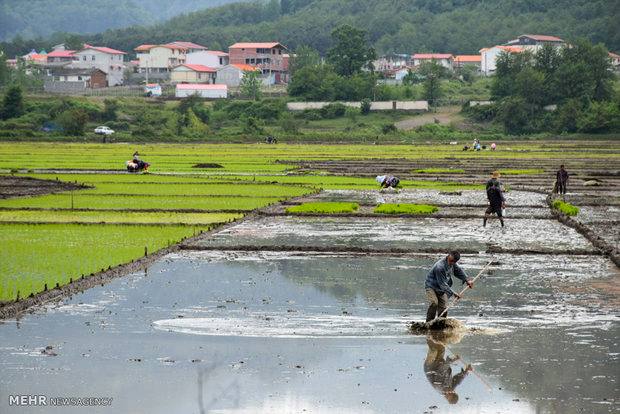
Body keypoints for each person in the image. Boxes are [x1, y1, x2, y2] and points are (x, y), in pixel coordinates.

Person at [424, 251, 473, 322]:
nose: (451, 263)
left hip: (442, 289)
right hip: (431, 286)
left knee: (444, 308)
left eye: (453, 262)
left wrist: (467, 280)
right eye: (450, 261)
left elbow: (458, 271)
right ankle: (429, 322)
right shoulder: (439, 267)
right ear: (448, 256)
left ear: (455, 261)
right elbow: (442, 284)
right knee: (434, 303)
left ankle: (441, 323)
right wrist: (453, 293)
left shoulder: (453, 264)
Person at [424, 334, 472, 404]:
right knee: (441, 347)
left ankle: (428, 335)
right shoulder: (451, 387)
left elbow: (440, 371)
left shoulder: (439, 387)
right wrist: (466, 371)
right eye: (450, 393)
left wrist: (451, 361)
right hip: (439, 363)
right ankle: (437, 333)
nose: (448, 393)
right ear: (453, 392)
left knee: (434, 351)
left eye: (447, 396)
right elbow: (458, 380)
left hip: (430, 366)